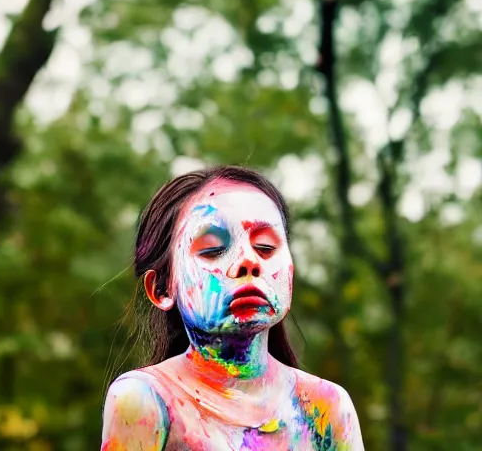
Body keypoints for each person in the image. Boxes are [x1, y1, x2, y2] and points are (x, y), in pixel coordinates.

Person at [101, 165, 364, 450]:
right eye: (213, 250)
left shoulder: (326, 407)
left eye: (265, 247)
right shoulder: (145, 400)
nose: (248, 261)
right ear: (162, 288)